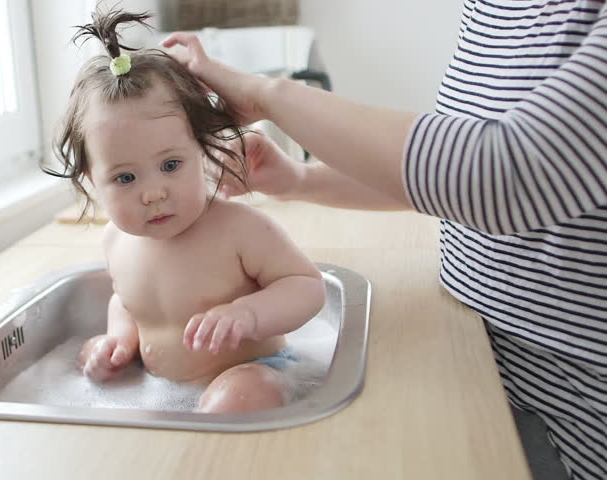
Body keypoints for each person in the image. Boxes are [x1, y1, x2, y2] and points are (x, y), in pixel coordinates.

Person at [162, 1, 606, 479]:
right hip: (478, 354)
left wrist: (266, 96)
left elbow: (506, 174)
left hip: (573, 423)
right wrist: (302, 179)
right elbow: (449, 165)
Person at [42, 10, 326, 413]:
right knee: (92, 351)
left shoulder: (239, 229)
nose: (153, 193)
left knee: (243, 395)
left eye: (171, 166)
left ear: (203, 150)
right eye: (125, 178)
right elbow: (127, 301)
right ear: (91, 179)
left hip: (255, 368)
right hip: (162, 387)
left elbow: (306, 286)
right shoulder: (117, 240)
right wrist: (118, 340)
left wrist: (248, 313)